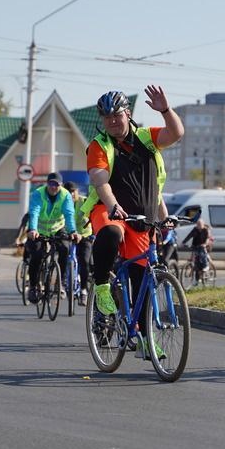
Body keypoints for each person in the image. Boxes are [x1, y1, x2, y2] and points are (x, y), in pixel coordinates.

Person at [83, 86, 183, 355]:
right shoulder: (98, 146)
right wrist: (113, 205)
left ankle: (142, 339)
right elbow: (100, 182)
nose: (113, 121)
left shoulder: (146, 138)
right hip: (110, 210)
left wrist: (165, 110)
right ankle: (102, 285)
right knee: (111, 234)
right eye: (107, 117)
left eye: (117, 115)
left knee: (142, 278)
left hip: (143, 218)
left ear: (128, 113)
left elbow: (176, 134)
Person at [25, 172, 80, 302]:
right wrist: (33, 229)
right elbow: (34, 212)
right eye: (51, 184)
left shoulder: (66, 195)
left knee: (64, 249)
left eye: (56, 184)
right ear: (47, 183)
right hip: (39, 229)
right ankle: (33, 286)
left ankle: (60, 282)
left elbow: (69, 214)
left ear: (60, 185)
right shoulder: (38, 193)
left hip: (57, 228)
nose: (53, 187)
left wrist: (72, 231)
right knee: (37, 255)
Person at [65, 180, 94, 304]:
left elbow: (92, 216)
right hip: (68, 235)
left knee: (85, 261)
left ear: (77, 191)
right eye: (68, 192)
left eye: (73, 191)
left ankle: (83, 290)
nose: (71, 194)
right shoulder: (63, 203)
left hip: (84, 236)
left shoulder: (84, 201)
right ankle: (62, 282)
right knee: (62, 254)